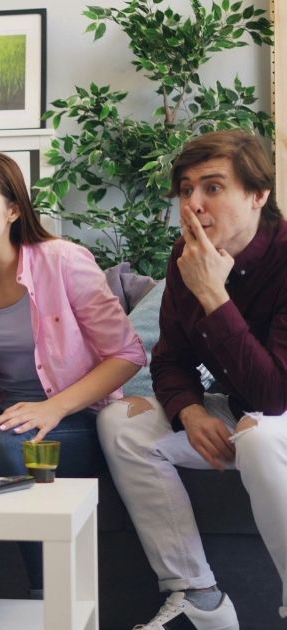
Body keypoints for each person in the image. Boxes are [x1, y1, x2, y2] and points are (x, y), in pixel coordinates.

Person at [0, 152, 145, 599]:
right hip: (4, 406)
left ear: (13, 210)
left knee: (14, 443)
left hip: (76, 409)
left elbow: (126, 354)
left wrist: (52, 408)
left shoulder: (63, 261)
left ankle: (50, 602)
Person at [97, 130, 287, 628]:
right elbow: (169, 359)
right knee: (122, 422)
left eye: (213, 187)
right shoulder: (188, 256)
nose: (194, 203)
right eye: (186, 189)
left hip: (277, 415)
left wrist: (215, 298)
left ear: (258, 194)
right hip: (242, 411)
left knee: (261, 437)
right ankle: (200, 598)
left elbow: (275, 394)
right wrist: (191, 410)